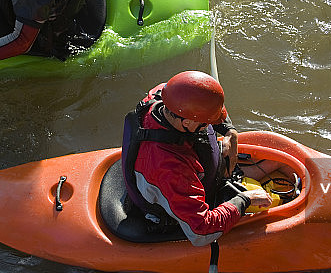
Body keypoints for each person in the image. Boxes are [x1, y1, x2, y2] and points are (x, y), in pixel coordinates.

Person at [121, 71, 291, 246]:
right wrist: (244, 200)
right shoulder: (169, 169)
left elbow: (210, 105)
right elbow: (202, 231)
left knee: (277, 162)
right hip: (180, 208)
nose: (210, 124)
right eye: (206, 123)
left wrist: (230, 131)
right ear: (186, 123)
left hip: (198, 176)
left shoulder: (168, 95)